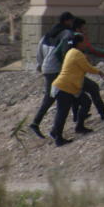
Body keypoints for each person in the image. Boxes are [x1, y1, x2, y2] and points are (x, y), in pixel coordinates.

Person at [50, 33, 104, 146]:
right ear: (79, 43)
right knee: (62, 113)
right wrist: (99, 72)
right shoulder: (76, 53)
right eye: (84, 41)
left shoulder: (71, 52)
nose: (86, 43)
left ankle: (78, 127)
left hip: (69, 87)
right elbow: (87, 67)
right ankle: (58, 138)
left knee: (85, 102)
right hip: (64, 88)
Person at [28, 11, 75, 139]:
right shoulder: (67, 34)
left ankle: (39, 124)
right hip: (56, 69)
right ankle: (38, 124)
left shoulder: (46, 36)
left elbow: (39, 53)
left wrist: (41, 65)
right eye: (71, 21)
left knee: (53, 96)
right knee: (55, 97)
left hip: (46, 68)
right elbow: (66, 53)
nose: (72, 23)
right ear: (67, 21)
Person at [69, 17, 104, 124]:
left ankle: (77, 117)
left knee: (76, 95)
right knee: (93, 89)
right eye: (83, 28)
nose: (85, 31)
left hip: (68, 73)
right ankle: (100, 114)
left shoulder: (67, 37)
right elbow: (91, 51)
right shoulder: (77, 38)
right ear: (78, 28)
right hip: (73, 74)